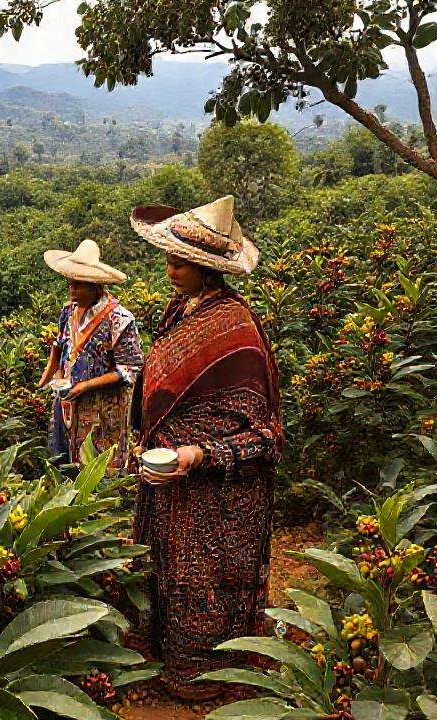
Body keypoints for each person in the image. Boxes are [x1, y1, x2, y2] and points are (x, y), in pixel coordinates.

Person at [128, 196, 283, 700]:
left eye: (180, 263)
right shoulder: (180, 310)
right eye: (169, 259)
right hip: (167, 477)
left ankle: (204, 675)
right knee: (169, 570)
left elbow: (263, 434)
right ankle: (165, 653)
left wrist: (199, 455)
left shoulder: (236, 328)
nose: (170, 269)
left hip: (214, 490)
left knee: (205, 578)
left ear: (206, 269)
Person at [37, 239, 143, 470]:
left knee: (96, 467)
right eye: (70, 284)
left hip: (101, 410)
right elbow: (60, 346)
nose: (72, 290)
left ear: (95, 286)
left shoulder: (119, 319)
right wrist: (50, 378)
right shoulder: (68, 311)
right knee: (63, 463)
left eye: (78, 285)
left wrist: (86, 386)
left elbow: (129, 369)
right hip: (67, 403)